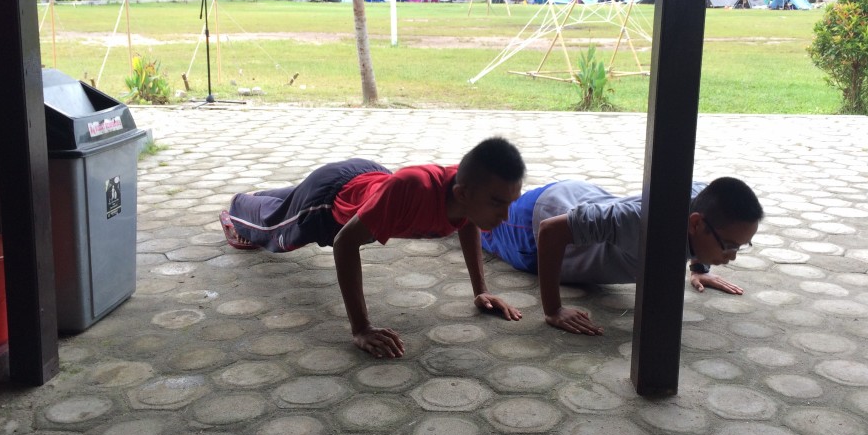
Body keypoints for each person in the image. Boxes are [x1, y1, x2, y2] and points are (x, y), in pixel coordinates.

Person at [220, 137, 527, 358]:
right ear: (461, 193)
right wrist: (361, 328)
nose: (506, 215)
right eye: (498, 204)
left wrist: (480, 290)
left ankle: (261, 198)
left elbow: (469, 220)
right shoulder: (415, 189)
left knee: (291, 201)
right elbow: (344, 242)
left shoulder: (465, 195)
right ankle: (237, 207)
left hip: (364, 178)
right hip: (327, 204)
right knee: (274, 230)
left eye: (511, 202)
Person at [480, 177, 764, 335]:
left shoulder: (700, 203)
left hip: (580, 199)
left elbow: (702, 210)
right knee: (477, 219)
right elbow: (551, 232)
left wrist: (701, 265)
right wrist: (553, 309)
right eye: (728, 245)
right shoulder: (640, 222)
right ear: (695, 223)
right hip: (535, 224)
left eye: (740, 247)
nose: (733, 256)